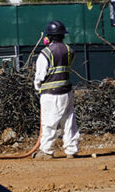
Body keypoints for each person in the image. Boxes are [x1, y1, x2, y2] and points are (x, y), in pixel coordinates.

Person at [33, 20, 81, 158]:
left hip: (50, 94)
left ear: (49, 36)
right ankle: (71, 150)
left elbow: (40, 76)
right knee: (69, 122)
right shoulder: (69, 51)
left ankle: (46, 151)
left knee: (49, 122)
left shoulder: (45, 53)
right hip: (66, 92)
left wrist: (38, 88)